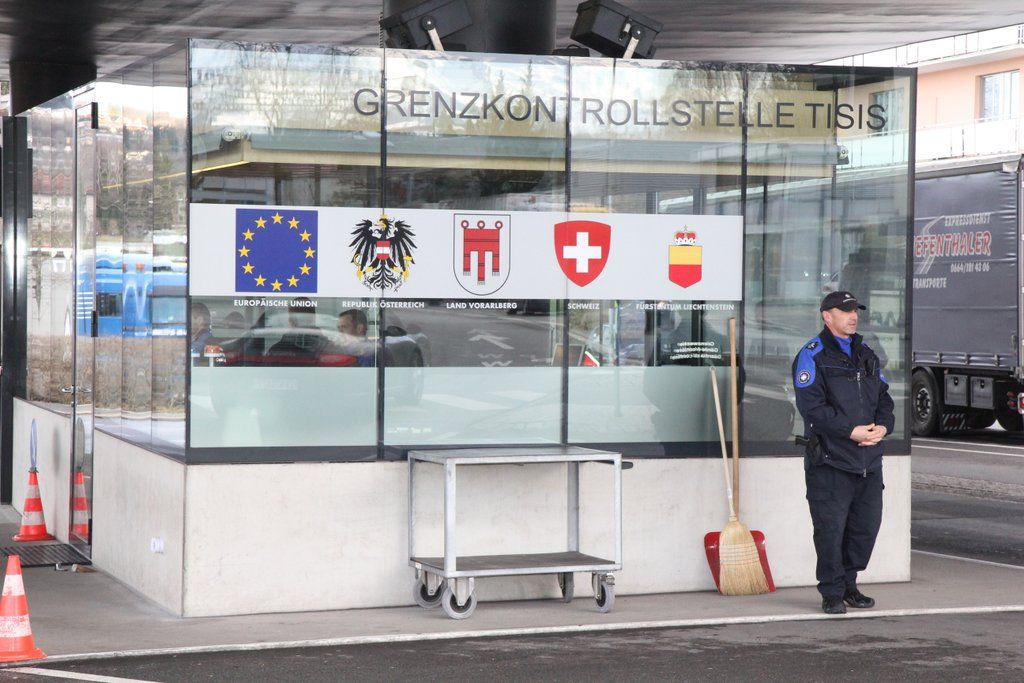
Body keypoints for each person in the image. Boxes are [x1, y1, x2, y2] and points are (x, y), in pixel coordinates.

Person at [792, 291, 894, 615]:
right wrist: (850, 431)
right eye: (845, 311)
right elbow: (812, 408)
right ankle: (832, 592)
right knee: (830, 531)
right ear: (827, 316)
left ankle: (850, 584)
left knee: (865, 529)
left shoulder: (866, 353)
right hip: (830, 461)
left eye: (855, 311)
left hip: (867, 461)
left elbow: (884, 398)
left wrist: (883, 427)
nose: (853, 316)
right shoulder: (813, 355)